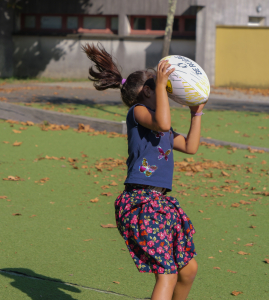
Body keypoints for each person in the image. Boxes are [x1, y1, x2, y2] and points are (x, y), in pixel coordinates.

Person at [82, 43, 205, 300]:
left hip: (160, 202)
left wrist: (196, 114)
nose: (167, 90)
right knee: (167, 273)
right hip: (140, 203)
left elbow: (191, 147)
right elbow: (163, 122)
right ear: (148, 91)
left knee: (188, 269)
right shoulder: (137, 112)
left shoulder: (164, 128)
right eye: (159, 86)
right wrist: (161, 85)